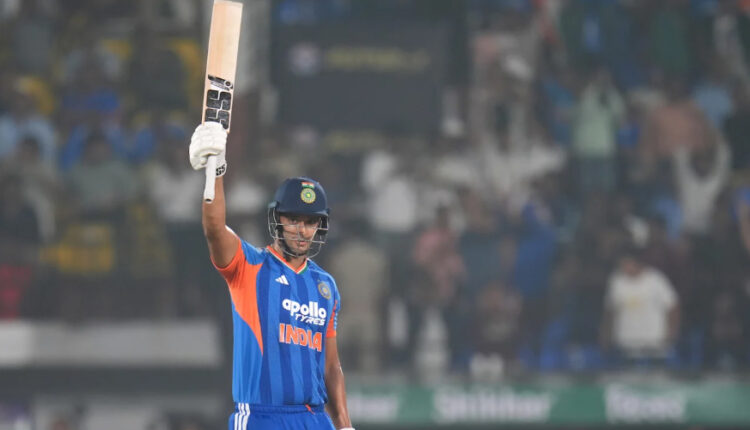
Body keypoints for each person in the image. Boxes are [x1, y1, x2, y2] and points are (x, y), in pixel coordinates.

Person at [188, 122, 354, 430]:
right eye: (293, 219)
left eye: (310, 222)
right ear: (277, 219)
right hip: (261, 417)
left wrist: (344, 425)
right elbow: (214, 229)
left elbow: (331, 366)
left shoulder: (325, 286)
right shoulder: (249, 265)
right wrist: (215, 172)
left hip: (315, 417)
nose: (302, 230)